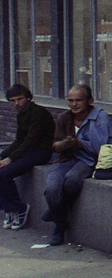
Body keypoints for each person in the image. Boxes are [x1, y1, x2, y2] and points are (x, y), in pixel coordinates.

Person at [43, 84, 112, 247]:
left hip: (88, 159)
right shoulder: (64, 117)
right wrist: (60, 145)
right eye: (71, 100)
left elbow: (102, 146)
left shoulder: (100, 117)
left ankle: (58, 224)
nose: (74, 104)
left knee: (72, 179)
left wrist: (79, 144)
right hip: (66, 158)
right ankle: (58, 215)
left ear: (90, 100)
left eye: (78, 100)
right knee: (52, 188)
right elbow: (54, 144)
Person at [0, 84, 54, 229]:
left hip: (41, 152)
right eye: (12, 100)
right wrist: (2, 155)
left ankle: (19, 208)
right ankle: (9, 209)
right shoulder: (22, 114)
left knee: (4, 174)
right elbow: (19, 140)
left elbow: (31, 141)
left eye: (20, 99)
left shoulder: (39, 113)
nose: (16, 103)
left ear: (29, 98)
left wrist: (9, 159)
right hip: (28, 151)